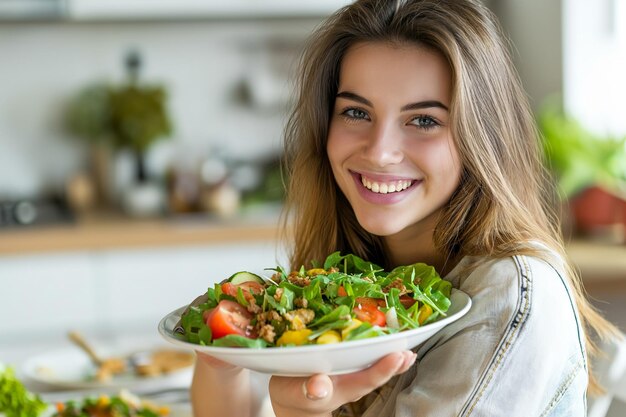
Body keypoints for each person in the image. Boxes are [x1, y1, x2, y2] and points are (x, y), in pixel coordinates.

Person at [191, 0, 619, 416]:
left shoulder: (510, 291)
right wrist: (220, 355)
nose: (380, 153)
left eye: (424, 120)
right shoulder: (353, 273)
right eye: (356, 112)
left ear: (480, 139)